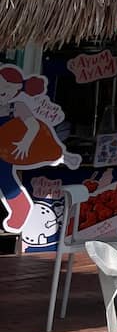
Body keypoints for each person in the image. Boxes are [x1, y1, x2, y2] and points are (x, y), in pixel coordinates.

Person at [0, 67, 79, 232]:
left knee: (42, 152)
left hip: (20, 142)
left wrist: (25, 143)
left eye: (6, 88)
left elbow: (33, 125)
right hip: (5, 146)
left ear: (16, 89)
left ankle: (63, 157)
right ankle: (20, 207)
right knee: (4, 174)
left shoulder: (17, 106)